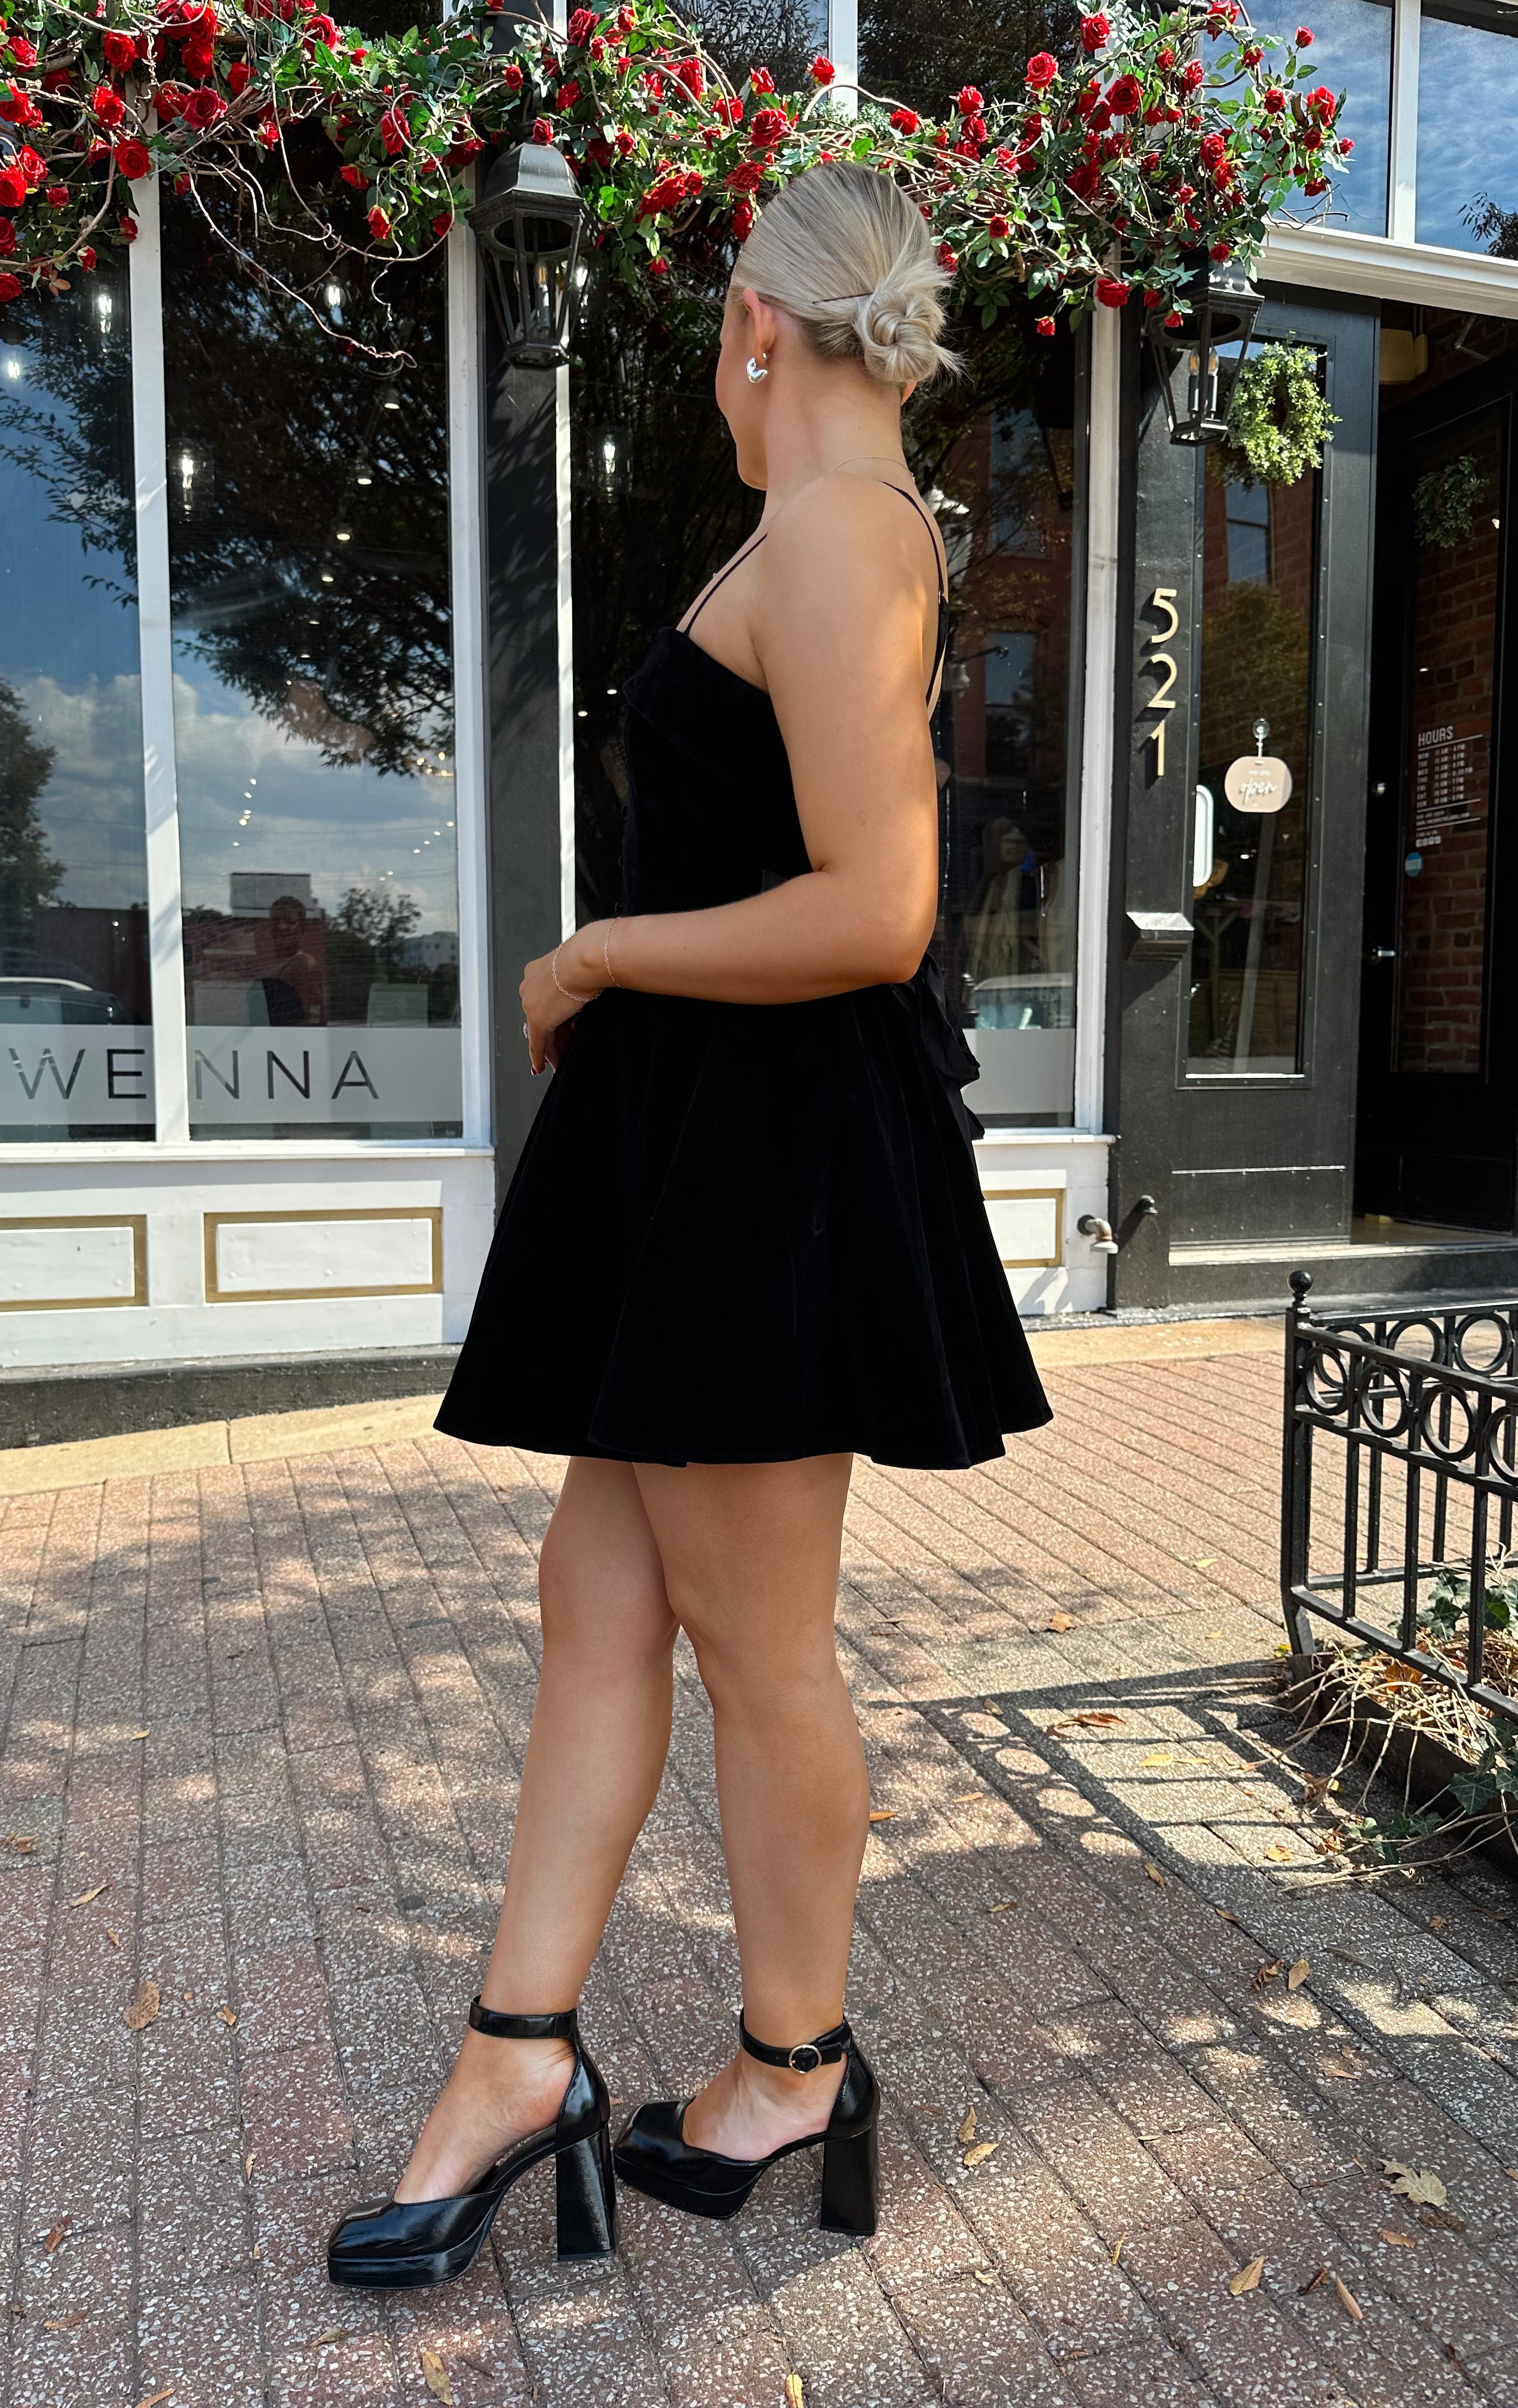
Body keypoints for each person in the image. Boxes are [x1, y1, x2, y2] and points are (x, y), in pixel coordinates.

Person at [326, 159, 1051, 2292]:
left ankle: (797, 2067)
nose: (713, 381)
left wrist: (597, 959)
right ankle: (516, 2054)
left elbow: (879, 909)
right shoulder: (831, 530)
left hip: (753, 1176)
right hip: (721, 1164)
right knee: (600, 1602)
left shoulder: (837, 532)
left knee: (757, 1643)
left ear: (758, 319)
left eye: (717, 345)